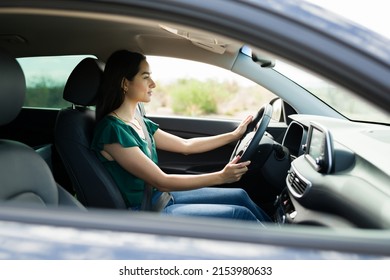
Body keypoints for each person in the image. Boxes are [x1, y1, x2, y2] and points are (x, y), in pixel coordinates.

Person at [91, 50, 271, 224]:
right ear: (125, 83)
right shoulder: (113, 130)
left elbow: (186, 145)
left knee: (240, 196)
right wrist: (221, 177)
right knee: (239, 215)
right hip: (146, 211)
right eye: (145, 77)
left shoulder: (138, 121)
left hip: (159, 197)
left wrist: (233, 135)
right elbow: (162, 181)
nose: (153, 83)